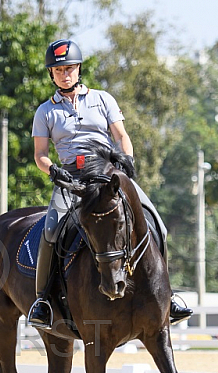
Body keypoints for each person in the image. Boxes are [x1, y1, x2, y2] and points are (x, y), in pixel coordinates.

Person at [27, 38, 192, 329]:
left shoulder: (103, 99)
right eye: (58, 70)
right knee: (50, 231)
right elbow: (40, 154)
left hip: (109, 175)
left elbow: (122, 136)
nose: (65, 74)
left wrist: (126, 159)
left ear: (78, 69)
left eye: (69, 68)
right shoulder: (45, 112)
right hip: (72, 178)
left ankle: (169, 293)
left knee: (157, 223)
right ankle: (43, 301)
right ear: (51, 74)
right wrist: (52, 171)